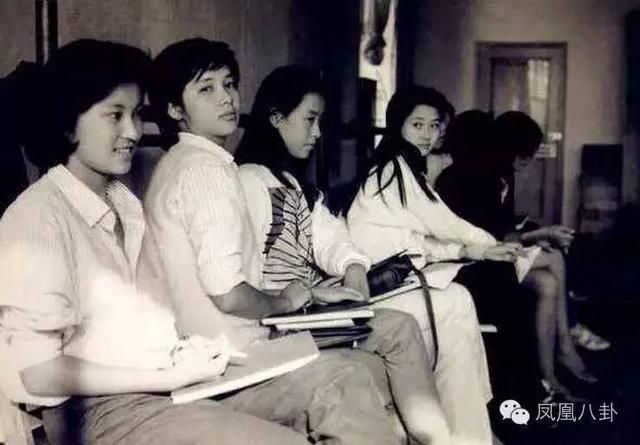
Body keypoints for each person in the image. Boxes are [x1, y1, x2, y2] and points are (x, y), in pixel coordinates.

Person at [0, 39, 395, 445]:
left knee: (346, 382)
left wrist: (180, 362)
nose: (132, 131)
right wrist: (165, 375)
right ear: (68, 123)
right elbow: (38, 374)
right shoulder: (38, 218)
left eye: (135, 114)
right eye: (115, 115)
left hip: (163, 382)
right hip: (97, 410)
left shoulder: (123, 203)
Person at [143, 38, 412, 445]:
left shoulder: (184, 163)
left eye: (229, 84)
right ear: (174, 109)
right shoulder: (206, 171)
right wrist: (286, 301)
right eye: (206, 89)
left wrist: (310, 293)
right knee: (348, 377)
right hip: (223, 362)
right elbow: (229, 294)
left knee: (369, 365)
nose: (226, 98)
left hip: (220, 350)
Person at [235, 64, 485, 445]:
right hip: (280, 318)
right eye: (310, 120)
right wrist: (312, 294)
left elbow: (330, 236)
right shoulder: (248, 181)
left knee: (417, 320)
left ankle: (446, 435)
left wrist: (353, 266)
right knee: (426, 318)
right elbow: (248, 280)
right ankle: (445, 436)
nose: (317, 133)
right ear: (276, 118)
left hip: (307, 308)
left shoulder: (290, 182)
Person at [345, 86, 547, 409]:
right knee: (500, 283)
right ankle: (523, 393)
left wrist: (475, 252)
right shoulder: (393, 170)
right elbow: (444, 224)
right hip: (386, 282)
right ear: (398, 124)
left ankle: (517, 393)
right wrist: (488, 245)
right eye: (417, 125)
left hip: (405, 270)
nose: (427, 134)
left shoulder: (407, 167)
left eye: (434, 125)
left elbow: (425, 240)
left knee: (499, 280)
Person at [436, 110, 602, 397]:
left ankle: (549, 374)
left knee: (547, 281)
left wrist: (535, 235)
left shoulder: (495, 176)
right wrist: (540, 235)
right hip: (473, 263)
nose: (528, 162)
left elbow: (502, 229)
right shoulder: (469, 178)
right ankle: (564, 344)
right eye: (525, 156)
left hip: (492, 255)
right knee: (553, 258)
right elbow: (492, 237)